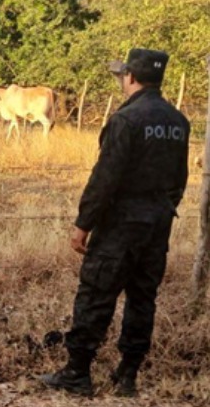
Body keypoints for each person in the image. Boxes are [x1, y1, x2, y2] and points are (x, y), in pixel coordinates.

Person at [41, 49, 190, 397]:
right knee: (143, 298)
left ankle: (77, 372)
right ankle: (128, 375)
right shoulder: (178, 121)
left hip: (120, 223)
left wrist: (83, 223)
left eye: (123, 75)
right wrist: (162, 210)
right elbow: (180, 179)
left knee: (96, 293)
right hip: (157, 223)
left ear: (131, 78)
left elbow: (105, 178)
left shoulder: (126, 119)